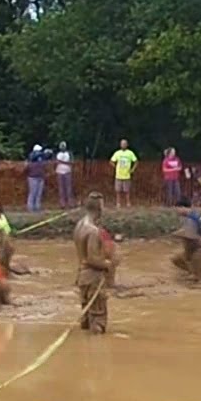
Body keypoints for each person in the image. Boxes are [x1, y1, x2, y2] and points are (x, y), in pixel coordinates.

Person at [74, 192, 114, 334]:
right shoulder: (93, 231)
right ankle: (97, 352)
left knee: (85, 319)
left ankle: (84, 353)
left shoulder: (79, 225)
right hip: (93, 278)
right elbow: (92, 258)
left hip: (82, 277)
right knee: (97, 320)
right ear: (100, 208)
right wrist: (108, 264)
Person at [109, 139, 137, 208]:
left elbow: (136, 161)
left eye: (125, 144)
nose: (123, 145)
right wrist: (115, 166)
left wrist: (132, 169)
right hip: (118, 175)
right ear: (120, 145)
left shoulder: (130, 153)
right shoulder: (117, 153)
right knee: (118, 190)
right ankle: (118, 203)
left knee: (127, 190)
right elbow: (111, 161)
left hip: (127, 175)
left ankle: (128, 203)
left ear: (127, 145)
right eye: (122, 144)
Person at [0, 202, 15, 277]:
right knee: (5, 267)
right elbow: (8, 231)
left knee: (1, 268)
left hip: (5, 245)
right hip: (10, 245)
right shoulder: (3, 217)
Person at [25, 145, 47, 212]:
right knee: (33, 192)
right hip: (33, 177)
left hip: (40, 176)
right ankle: (30, 207)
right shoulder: (31, 159)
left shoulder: (41, 159)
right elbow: (27, 168)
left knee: (39, 193)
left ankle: (37, 207)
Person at [55, 141, 74, 208]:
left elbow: (71, 162)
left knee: (68, 188)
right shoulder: (58, 154)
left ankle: (70, 203)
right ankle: (62, 203)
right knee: (61, 188)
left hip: (67, 172)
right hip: (59, 172)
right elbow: (55, 162)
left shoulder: (69, 153)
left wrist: (62, 162)